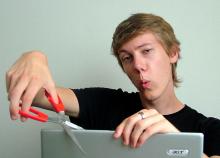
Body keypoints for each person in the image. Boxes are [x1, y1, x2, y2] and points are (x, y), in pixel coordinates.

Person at [6, 13, 220, 158]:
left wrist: (179, 146)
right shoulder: (104, 104)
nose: (137, 65)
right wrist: (34, 58)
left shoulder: (210, 130)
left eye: (146, 51)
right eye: (127, 58)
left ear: (173, 53)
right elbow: (31, 94)